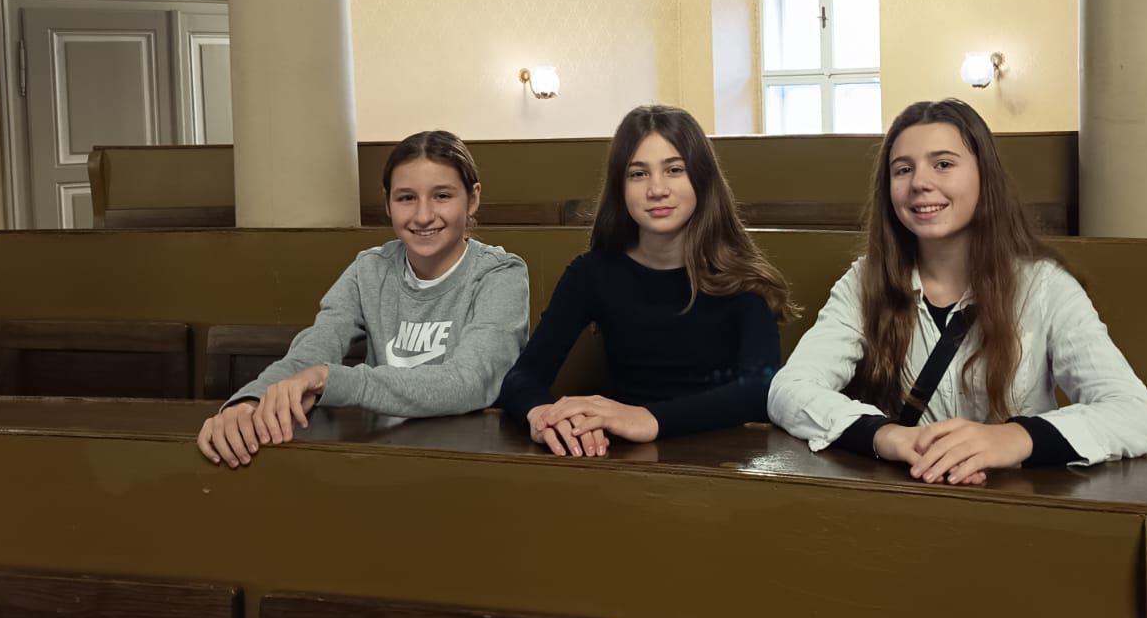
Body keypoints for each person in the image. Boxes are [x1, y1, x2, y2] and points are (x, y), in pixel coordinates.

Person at [768, 98, 1147, 485]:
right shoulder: (865, 281)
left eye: (943, 164)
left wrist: (1014, 438)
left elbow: (1136, 414)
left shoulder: (1044, 286)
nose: (920, 183)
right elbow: (789, 390)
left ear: (984, 176)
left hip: (1018, 501)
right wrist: (885, 435)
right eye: (903, 169)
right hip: (908, 496)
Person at [195, 130, 529, 468]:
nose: (423, 215)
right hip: (382, 456)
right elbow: (313, 350)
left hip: (472, 463)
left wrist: (332, 380)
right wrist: (248, 403)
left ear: (472, 199)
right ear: (387, 204)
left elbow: (470, 381)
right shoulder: (369, 268)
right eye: (406, 198)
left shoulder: (501, 274)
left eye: (442, 196)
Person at [497, 104, 791, 455]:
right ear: (620, 187)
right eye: (638, 174)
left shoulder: (743, 278)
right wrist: (542, 416)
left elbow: (759, 390)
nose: (657, 189)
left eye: (674, 170)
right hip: (624, 457)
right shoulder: (592, 272)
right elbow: (522, 377)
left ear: (702, 178)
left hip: (724, 458)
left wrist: (649, 419)